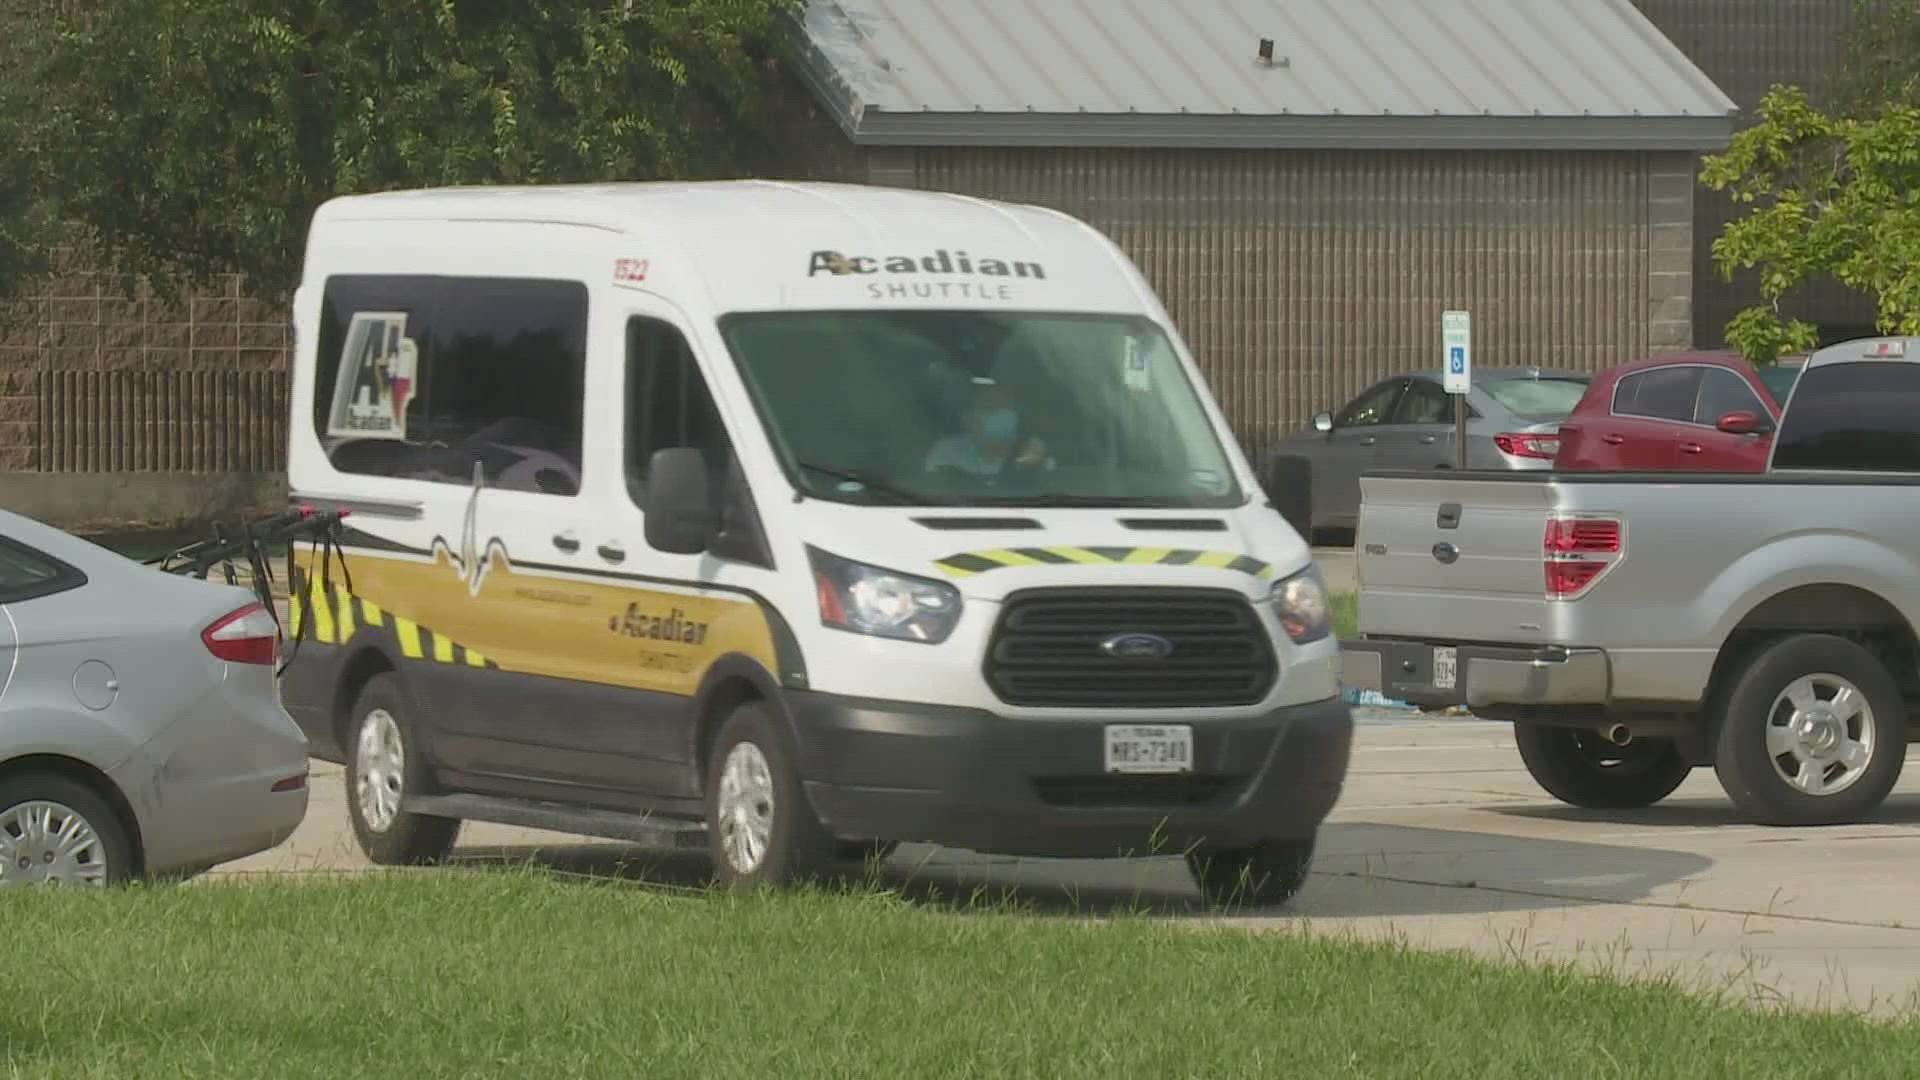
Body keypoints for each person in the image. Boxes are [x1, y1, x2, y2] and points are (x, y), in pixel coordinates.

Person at [923, 377, 1052, 477]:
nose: (1001, 413)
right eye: (991, 408)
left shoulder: (1032, 448)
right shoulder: (947, 451)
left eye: (1006, 407)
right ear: (968, 417)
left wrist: (1029, 468)